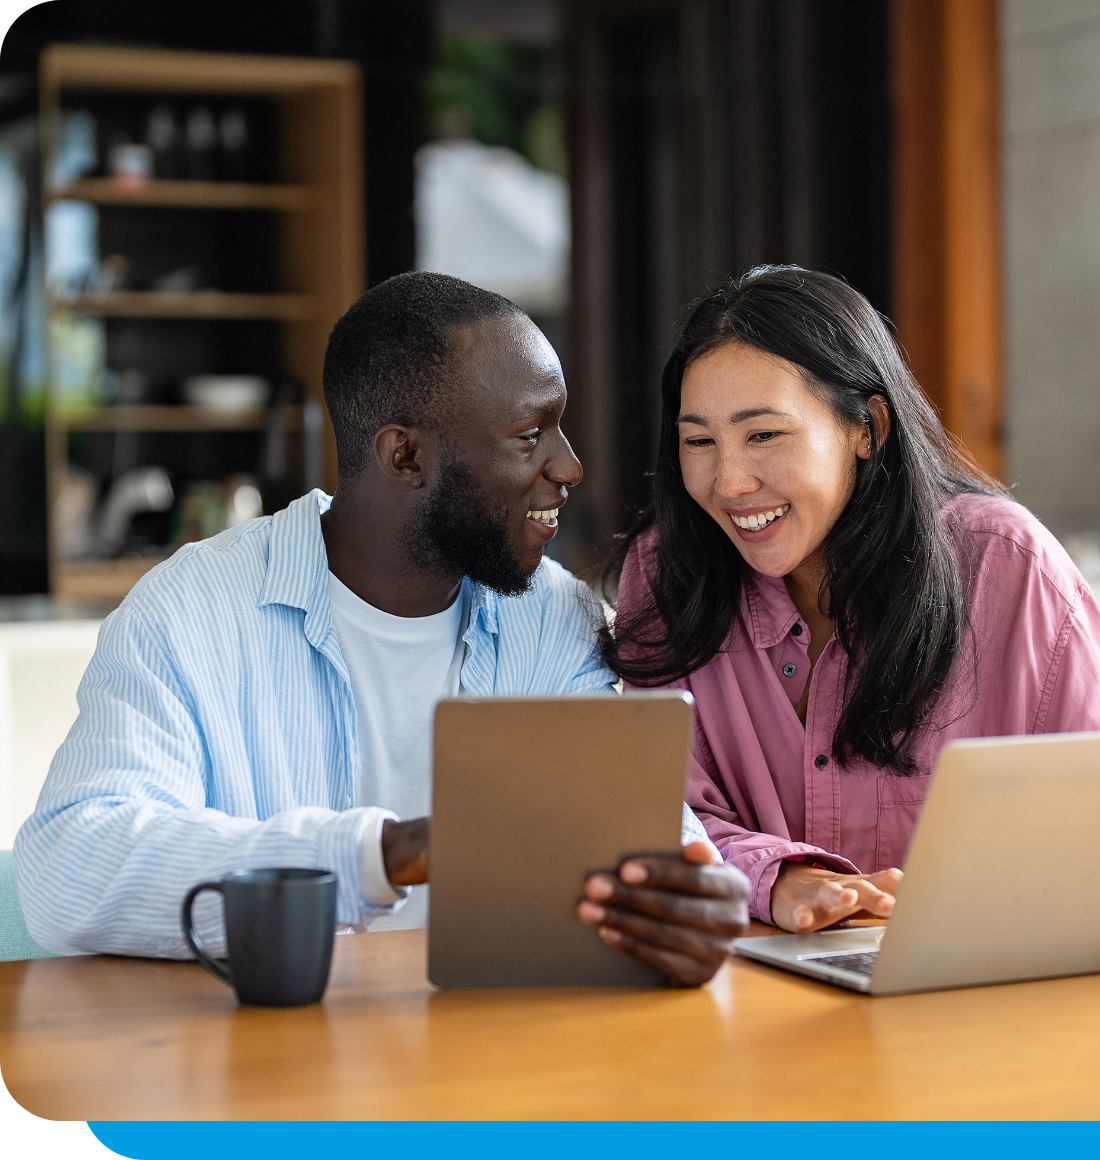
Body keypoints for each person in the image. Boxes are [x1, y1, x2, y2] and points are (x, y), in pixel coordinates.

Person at [15, 273, 749, 987]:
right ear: (406, 456)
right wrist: (383, 853)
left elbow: (635, 832)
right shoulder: (189, 613)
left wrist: (690, 894)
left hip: (497, 1047)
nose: (571, 466)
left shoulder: (553, 615)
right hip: (269, 1055)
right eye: (530, 436)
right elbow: (70, 868)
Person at [601, 266, 1100, 954]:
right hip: (750, 991)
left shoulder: (1006, 565)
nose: (729, 482)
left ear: (867, 428)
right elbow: (662, 812)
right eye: (699, 442)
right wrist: (777, 880)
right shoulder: (667, 573)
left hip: (982, 979)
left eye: (763, 436)